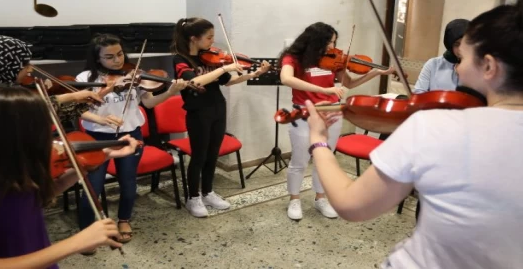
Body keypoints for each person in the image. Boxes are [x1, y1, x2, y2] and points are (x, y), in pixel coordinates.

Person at [304, 0, 523, 268]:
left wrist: (318, 142)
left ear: (489, 66)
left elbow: (351, 205)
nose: (457, 68)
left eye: (464, 58)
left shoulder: (436, 128)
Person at [0, 84, 140, 269]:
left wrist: (101, 156)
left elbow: (33, 198)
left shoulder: (12, 169)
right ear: (9, 135)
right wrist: (78, 242)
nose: (47, 136)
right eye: (39, 128)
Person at [75, 33, 188, 249]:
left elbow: (151, 102)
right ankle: (87, 230)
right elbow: (79, 109)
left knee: (128, 183)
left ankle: (124, 219)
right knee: (93, 186)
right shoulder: (85, 78)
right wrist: (100, 118)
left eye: (119, 54)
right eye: (109, 57)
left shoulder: (134, 74)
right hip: (98, 138)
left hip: (130, 136)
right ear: (98, 58)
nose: (117, 60)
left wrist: (171, 90)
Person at [278, 22, 398, 220]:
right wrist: (325, 90)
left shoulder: (334, 61)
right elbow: (286, 79)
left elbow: (349, 83)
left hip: (332, 113)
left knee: (325, 159)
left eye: (334, 42)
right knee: (299, 160)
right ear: (316, 41)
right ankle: (294, 199)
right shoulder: (294, 58)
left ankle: (320, 198)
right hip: (304, 114)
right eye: (329, 42)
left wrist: (375, 72)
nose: (333, 47)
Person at [171, 17, 271, 218]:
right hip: (198, 112)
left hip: (217, 108)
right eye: (209, 38)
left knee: (213, 154)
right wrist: (224, 68)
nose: (212, 42)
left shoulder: (209, 57)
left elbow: (228, 82)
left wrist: (253, 74)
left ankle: (208, 192)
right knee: (199, 156)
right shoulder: (180, 59)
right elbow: (194, 81)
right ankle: (193, 197)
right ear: (193, 38)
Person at [0, 34, 111, 124]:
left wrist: (78, 99)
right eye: (23, 64)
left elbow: (43, 112)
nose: (30, 69)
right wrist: (73, 96)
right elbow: (31, 109)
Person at [413, 19, 469, 93]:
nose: (461, 49)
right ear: (450, 45)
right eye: (457, 44)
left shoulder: (477, 69)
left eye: (465, 43)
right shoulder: (432, 64)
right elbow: (418, 92)